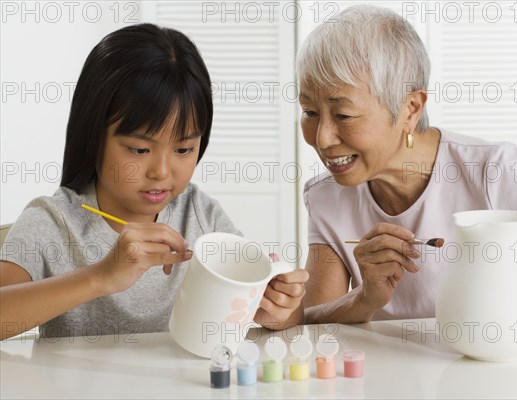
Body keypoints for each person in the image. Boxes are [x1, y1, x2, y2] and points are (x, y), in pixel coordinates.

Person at [0, 23, 308, 340]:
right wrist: (101, 277)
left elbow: (284, 320)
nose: (161, 171)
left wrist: (280, 307)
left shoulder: (200, 216)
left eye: (183, 149)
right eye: (140, 149)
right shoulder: (52, 222)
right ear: (93, 136)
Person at [297, 5, 517, 324]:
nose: (322, 139)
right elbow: (313, 328)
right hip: (388, 374)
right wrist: (364, 299)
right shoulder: (326, 197)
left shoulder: (494, 171)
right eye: (309, 112)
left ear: (410, 109)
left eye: (343, 115)